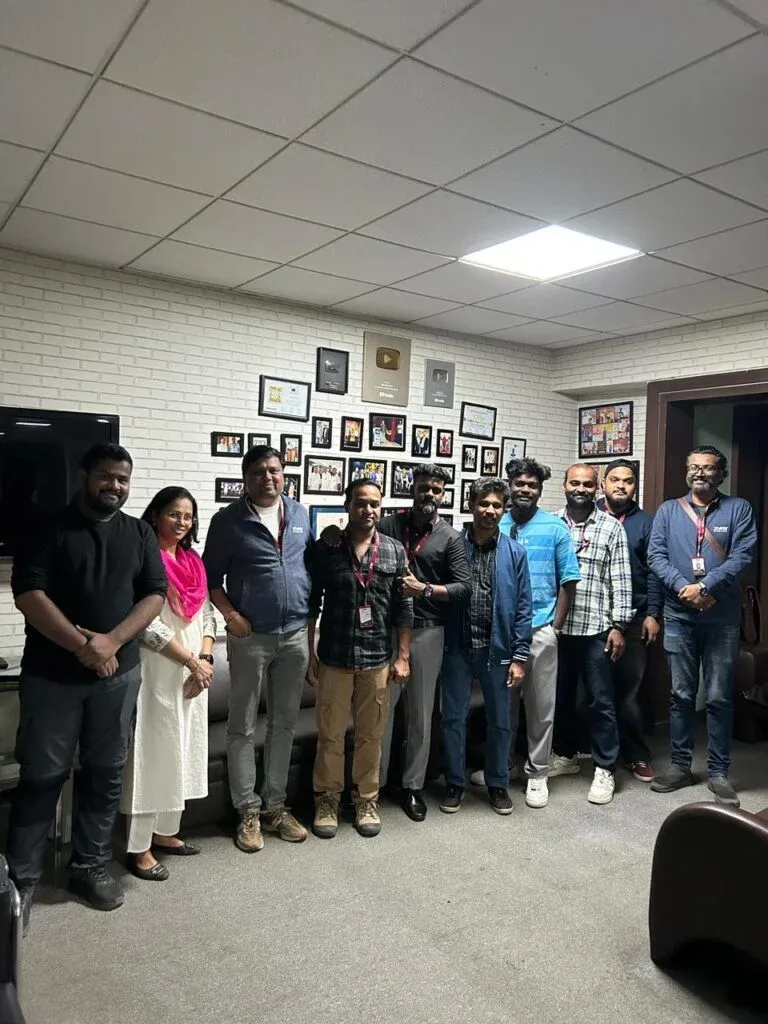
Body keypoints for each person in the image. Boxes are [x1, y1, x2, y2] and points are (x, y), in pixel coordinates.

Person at [7, 443, 167, 931]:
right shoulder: (46, 526)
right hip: (52, 679)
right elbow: (28, 593)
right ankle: (21, 882)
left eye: (122, 479)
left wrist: (112, 642)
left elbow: (155, 594)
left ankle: (89, 867)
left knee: (106, 772)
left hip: (118, 677)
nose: (114, 486)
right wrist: (84, 646)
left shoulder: (139, 533)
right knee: (42, 776)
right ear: (84, 476)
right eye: (106, 476)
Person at [203, 445, 312, 853]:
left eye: (274, 470)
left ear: (284, 474)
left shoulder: (299, 514)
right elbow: (210, 578)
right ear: (245, 479)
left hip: (295, 635)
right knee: (243, 726)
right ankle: (247, 810)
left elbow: (308, 566)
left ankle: (275, 807)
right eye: (259, 472)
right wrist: (231, 615)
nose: (268, 477)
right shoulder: (228, 521)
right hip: (250, 638)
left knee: (284, 724)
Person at [648, 446, 757, 807]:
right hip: (678, 616)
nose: (700, 473)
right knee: (680, 695)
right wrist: (686, 588)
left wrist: (706, 586)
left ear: (721, 473)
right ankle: (680, 766)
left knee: (718, 697)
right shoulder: (668, 510)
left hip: (721, 620)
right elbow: (656, 556)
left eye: (708, 468)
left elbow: (743, 555)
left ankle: (718, 772)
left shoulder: (738, 509)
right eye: (694, 467)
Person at [471, 457, 580, 809]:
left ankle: (538, 773)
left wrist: (555, 629)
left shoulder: (555, 528)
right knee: (503, 707)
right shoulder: (493, 522)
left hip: (540, 630)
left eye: (532, 485)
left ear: (540, 490)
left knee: (541, 707)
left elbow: (568, 582)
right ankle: (503, 766)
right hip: (499, 634)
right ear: (509, 486)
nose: (525, 490)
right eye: (519, 483)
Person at [307, 479, 412, 839]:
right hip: (334, 656)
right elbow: (311, 603)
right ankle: (327, 799)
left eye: (374, 504)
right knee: (330, 734)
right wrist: (309, 652)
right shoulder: (327, 548)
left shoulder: (394, 551)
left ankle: (366, 799)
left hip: (377, 659)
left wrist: (403, 656)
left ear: (381, 508)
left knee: (371, 735)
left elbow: (404, 607)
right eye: (360, 503)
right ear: (347, 505)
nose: (368, 510)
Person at [120, 487, 215, 880]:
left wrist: (205, 660)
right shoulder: (144, 559)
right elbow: (146, 625)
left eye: (188, 516)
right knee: (153, 753)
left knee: (181, 750)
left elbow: (207, 615)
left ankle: (165, 832)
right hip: (158, 669)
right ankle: (138, 847)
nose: (181, 522)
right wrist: (191, 661)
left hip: (193, 673)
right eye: (174, 514)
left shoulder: (193, 562)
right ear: (156, 515)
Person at [377, 464, 471, 821]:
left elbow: (464, 588)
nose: (429, 494)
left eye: (436, 489)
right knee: (380, 714)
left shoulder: (450, 537)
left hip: (428, 632)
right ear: (411, 488)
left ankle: (413, 786)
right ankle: (373, 786)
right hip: (385, 631)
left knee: (420, 714)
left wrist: (425, 589)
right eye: (423, 487)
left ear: (443, 494)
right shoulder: (387, 525)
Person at [440, 477, 532, 816]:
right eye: (483, 503)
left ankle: (497, 783)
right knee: (452, 718)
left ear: (504, 510)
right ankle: (454, 782)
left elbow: (523, 606)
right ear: (470, 505)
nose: (490, 511)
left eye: (496, 505)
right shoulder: (452, 546)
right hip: (457, 647)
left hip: (498, 650)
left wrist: (519, 656)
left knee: (501, 721)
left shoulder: (515, 553)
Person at [552, 464, 633, 805]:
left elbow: (621, 579)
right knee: (559, 698)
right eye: (575, 483)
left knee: (600, 701)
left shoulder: (612, 527)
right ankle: (566, 755)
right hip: (556, 629)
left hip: (595, 628)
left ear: (597, 488)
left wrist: (619, 625)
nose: (581, 489)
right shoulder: (551, 524)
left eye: (587, 484)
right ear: (564, 485)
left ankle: (605, 767)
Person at [598, 460, 663, 782]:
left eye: (628, 480)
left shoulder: (646, 523)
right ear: (603, 484)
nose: (621, 485)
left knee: (629, 691)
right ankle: (596, 750)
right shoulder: (589, 515)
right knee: (592, 689)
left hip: (635, 618)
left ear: (635, 486)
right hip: (594, 615)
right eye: (615, 479)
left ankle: (635, 754)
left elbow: (655, 571)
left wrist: (653, 613)